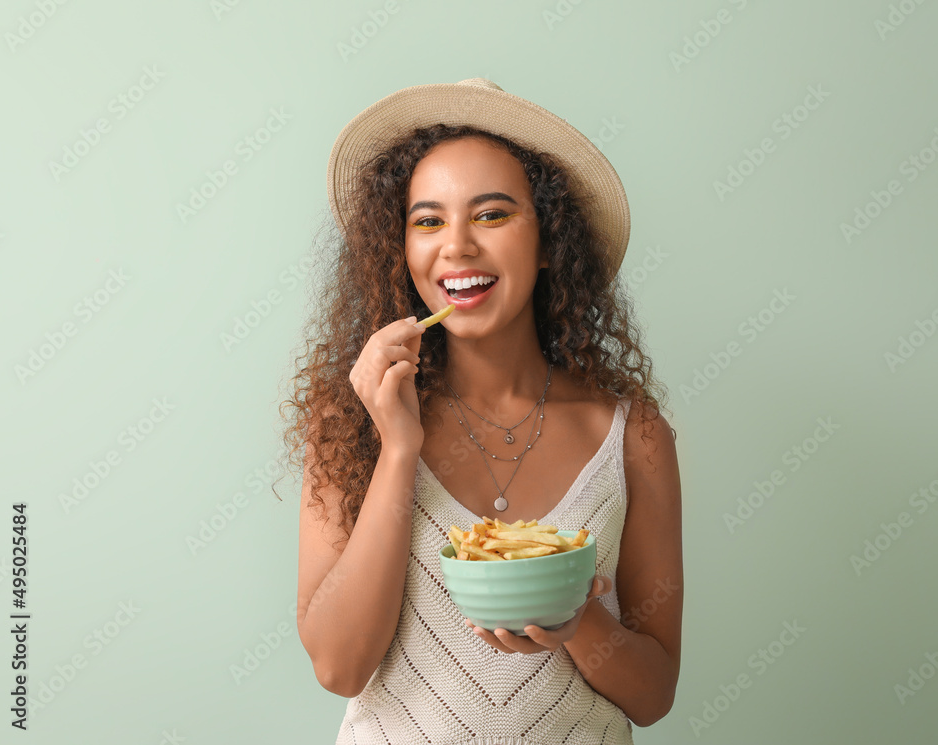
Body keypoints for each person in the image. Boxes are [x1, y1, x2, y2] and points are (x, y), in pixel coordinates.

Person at [285, 78, 683, 744]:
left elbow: (653, 693)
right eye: (428, 220)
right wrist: (398, 448)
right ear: (401, 249)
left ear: (550, 239)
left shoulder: (633, 435)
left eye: (492, 214)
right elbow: (338, 663)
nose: (458, 245)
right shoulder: (349, 420)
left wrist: (577, 617)